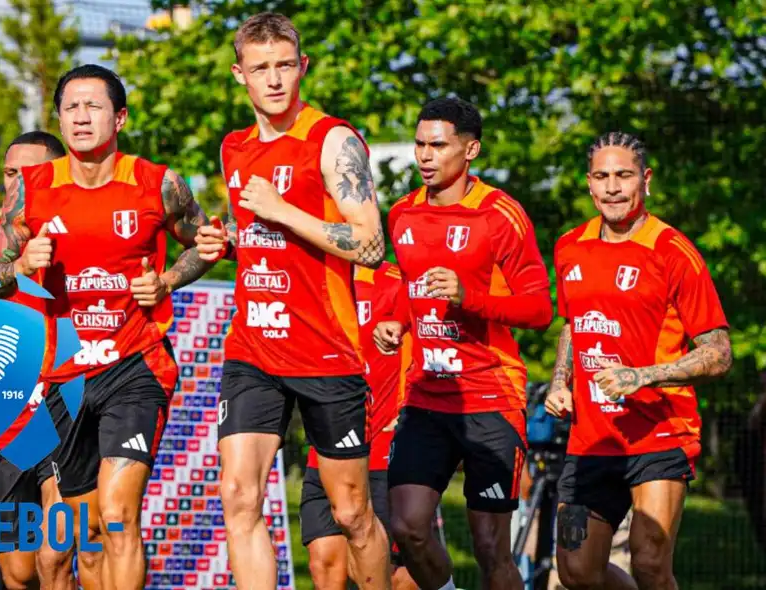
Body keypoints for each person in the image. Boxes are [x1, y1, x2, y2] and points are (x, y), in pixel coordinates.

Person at [0, 65, 215, 590]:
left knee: (117, 512)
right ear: (59, 119)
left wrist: (168, 282)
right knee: (81, 531)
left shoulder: (158, 183)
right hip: (64, 376)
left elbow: (206, 245)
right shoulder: (33, 189)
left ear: (120, 117)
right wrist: (18, 268)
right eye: (71, 108)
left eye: (94, 106)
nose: (81, 117)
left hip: (135, 363)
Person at [194, 12, 391, 590]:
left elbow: (372, 246)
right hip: (253, 347)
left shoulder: (333, 140)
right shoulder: (234, 148)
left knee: (352, 513)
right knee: (238, 495)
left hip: (325, 349)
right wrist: (226, 242)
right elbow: (260, 239)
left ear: (302, 66)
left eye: (285, 65)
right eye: (261, 69)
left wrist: (283, 209)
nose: (274, 79)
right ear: (240, 75)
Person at [374, 97, 552, 590]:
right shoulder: (403, 214)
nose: (425, 155)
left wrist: (469, 297)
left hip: (489, 396)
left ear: (470, 149)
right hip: (427, 395)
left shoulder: (500, 215)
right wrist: (394, 323)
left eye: (438, 145)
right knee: (407, 526)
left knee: (491, 547)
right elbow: (408, 293)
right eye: (419, 144)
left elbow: (540, 309)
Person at [545, 131, 732, 590]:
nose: (612, 187)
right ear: (589, 184)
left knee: (649, 564)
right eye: (602, 176)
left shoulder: (672, 250)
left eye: (624, 175)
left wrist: (642, 376)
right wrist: (558, 382)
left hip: (659, 435)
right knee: (576, 572)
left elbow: (719, 353)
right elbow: (573, 324)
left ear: (645, 180)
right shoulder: (570, 247)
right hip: (592, 439)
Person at [0, 130, 75, 590]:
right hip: (5, 420)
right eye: (10, 173)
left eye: (29, 175)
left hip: (64, 407)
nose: (16, 184)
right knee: (19, 570)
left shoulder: (77, 233)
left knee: (56, 557)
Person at [300, 262, 420, 590]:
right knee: (325, 562)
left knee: (396, 576)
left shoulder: (395, 281)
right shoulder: (310, 278)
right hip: (327, 446)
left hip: (382, 447)